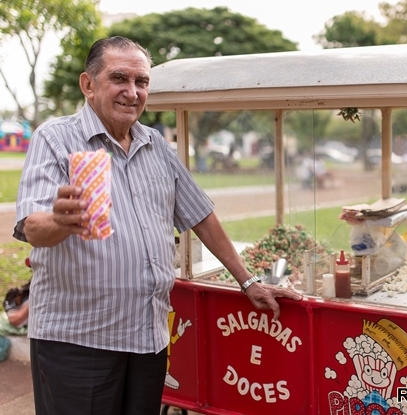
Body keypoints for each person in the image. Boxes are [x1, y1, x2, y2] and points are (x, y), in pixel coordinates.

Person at [13, 36, 302, 415]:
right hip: (79, 342)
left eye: (142, 82)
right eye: (119, 78)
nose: (132, 92)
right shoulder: (56, 139)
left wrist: (247, 281)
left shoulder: (157, 146)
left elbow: (201, 215)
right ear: (89, 84)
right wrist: (62, 220)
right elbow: (32, 225)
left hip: (146, 337)